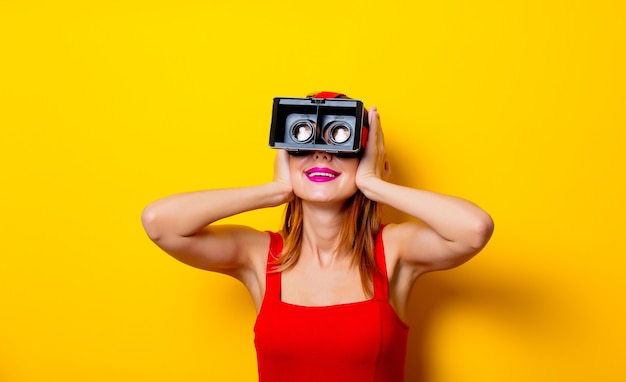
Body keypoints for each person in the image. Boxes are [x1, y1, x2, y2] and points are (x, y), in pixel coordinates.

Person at [141, 92, 494, 381]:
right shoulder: (260, 256)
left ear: (369, 160)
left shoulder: (394, 250)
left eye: (342, 142)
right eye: (303, 142)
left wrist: (374, 184)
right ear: (286, 158)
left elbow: (474, 229)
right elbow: (159, 222)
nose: (322, 153)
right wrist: (275, 190)